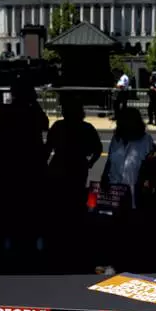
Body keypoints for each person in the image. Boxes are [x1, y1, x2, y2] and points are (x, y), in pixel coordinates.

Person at [0, 81, 49, 254]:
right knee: (32, 205)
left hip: (9, 164)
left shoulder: (4, 111)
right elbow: (45, 124)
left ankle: (8, 240)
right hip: (31, 165)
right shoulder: (33, 112)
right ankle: (34, 239)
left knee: (9, 204)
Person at [45, 97, 103, 265]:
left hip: (59, 167)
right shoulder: (86, 128)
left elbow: (47, 148)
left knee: (58, 205)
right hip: (77, 168)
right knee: (76, 202)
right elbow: (98, 149)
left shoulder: (58, 126)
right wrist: (90, 162)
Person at [104, 107, 154, 210]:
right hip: (115, 193)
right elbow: (109, 161)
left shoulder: (146, 140)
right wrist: (104, 178)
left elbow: (151, 167)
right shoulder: (116, 139)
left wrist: (146, 183)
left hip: (135, 194)